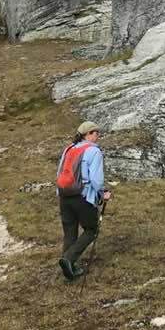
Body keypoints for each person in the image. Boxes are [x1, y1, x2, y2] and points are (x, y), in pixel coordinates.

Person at [56, 120, 112, 281]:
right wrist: (102, 194)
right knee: (91, 230)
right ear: (88, 135)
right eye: (96, 133)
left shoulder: (69, 149)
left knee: (70, 232)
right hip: (83, 197)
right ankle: (68, 259)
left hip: (64, 195)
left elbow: (60, 172)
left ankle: (69, 268)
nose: (98, 136)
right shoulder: (94, 152)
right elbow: (96, 180)